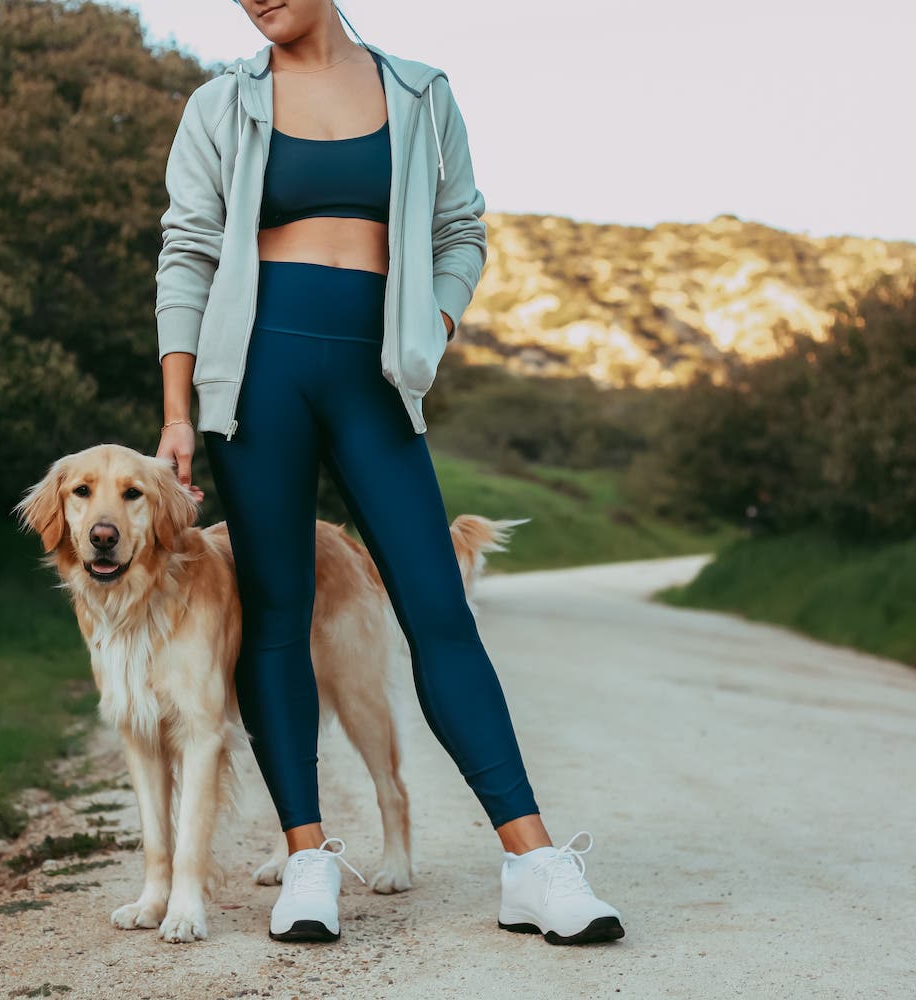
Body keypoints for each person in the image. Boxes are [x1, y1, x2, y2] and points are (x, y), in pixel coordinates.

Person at [152, 0, 625, 946]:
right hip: (258, 373)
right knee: (278, 617)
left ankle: (533, 864)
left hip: (376, 378)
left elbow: (462, 229)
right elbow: (190, 250)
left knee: (438, 611)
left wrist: (434, 326)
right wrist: (176, 416)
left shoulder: (419, 91)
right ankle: (308, 860)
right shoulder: (220, 104)